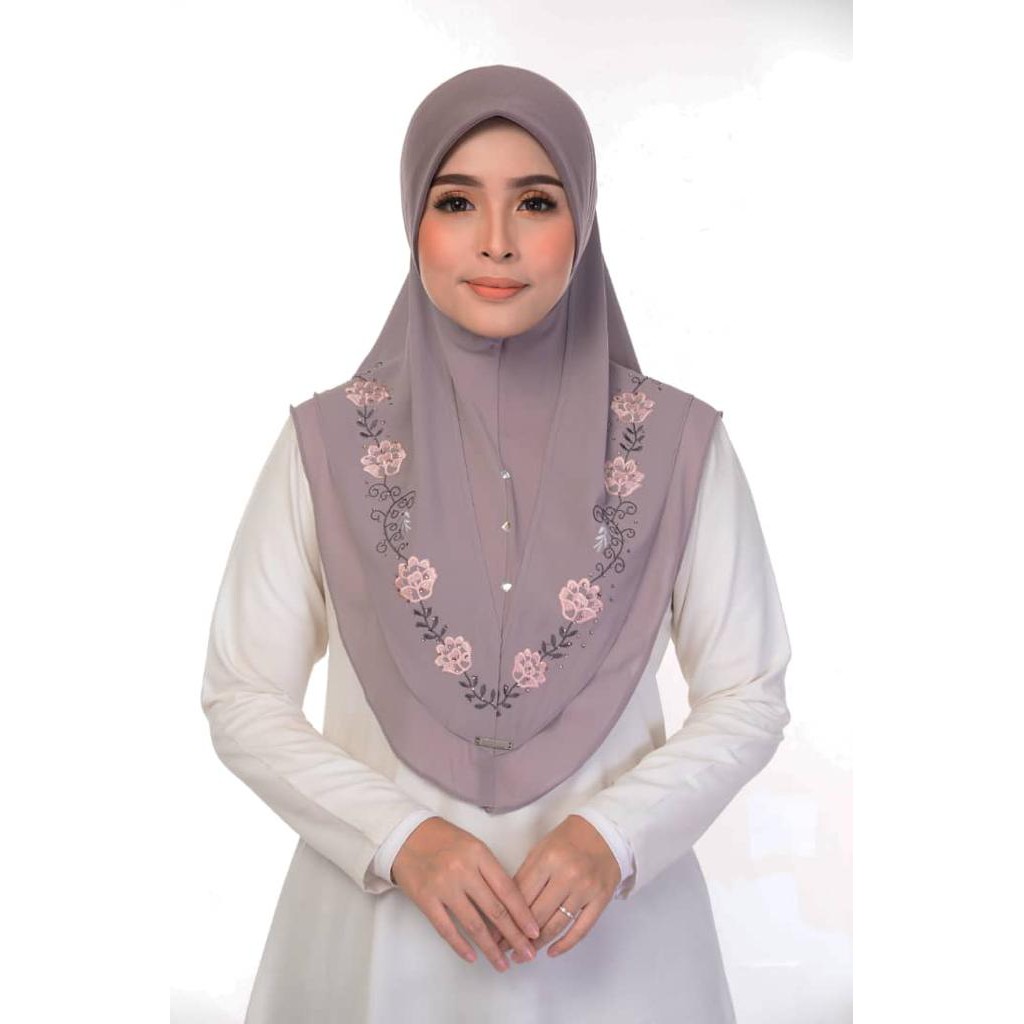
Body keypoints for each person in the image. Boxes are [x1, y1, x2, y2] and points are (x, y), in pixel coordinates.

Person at [201, 64, 792, 1023]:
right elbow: (242, 694)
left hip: (617, 951)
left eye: (536, 201)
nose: (497, 241)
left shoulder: (679, 445)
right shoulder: (326, 445)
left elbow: (749, 692)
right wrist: (401, 838)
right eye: (457, 201)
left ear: (582, 221)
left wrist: (614, 835)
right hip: (377, 947)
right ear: (414, 220)